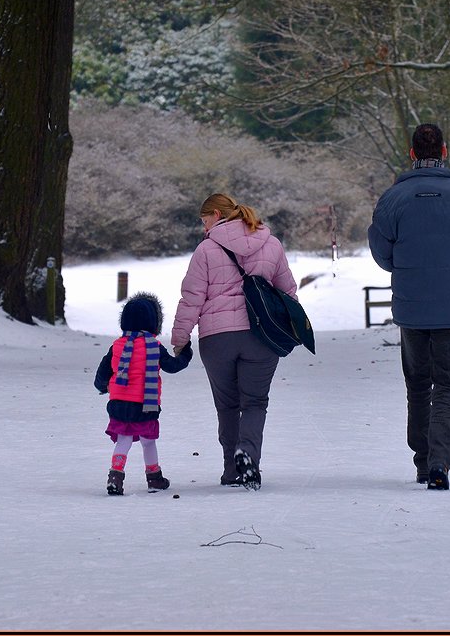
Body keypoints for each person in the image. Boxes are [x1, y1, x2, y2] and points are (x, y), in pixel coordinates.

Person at [368, 123, 450, 491]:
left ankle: (423, 462)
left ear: (412, 154)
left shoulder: (394, 198)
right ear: (443, 151)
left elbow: (382, 253)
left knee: (417, 384)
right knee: (446, 385)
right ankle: (440, 461)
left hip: (411, 306)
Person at [170, 193, 298, 491]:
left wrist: (180, 339)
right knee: (254, 402)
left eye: (204, 221)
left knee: (227, 405)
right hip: (261, 337)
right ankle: (249, 456)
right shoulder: (272, 243)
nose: (204, 229)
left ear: (216, 215)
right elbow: (288, 293)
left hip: (217, 340)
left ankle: (231, 470)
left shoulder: (206, 250)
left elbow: (192, 298)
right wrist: (290, 329)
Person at [95, 292, 193, 496]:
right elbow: (172, 366)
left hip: (119, 403)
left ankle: (115, 476)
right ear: (154, 323)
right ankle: (154, 477)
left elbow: (103, 371)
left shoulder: (117, 346)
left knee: (123, 439)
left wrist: (102, 386)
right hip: (144, 405)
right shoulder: (154, 347)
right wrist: (186, 353)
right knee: (148, 441)